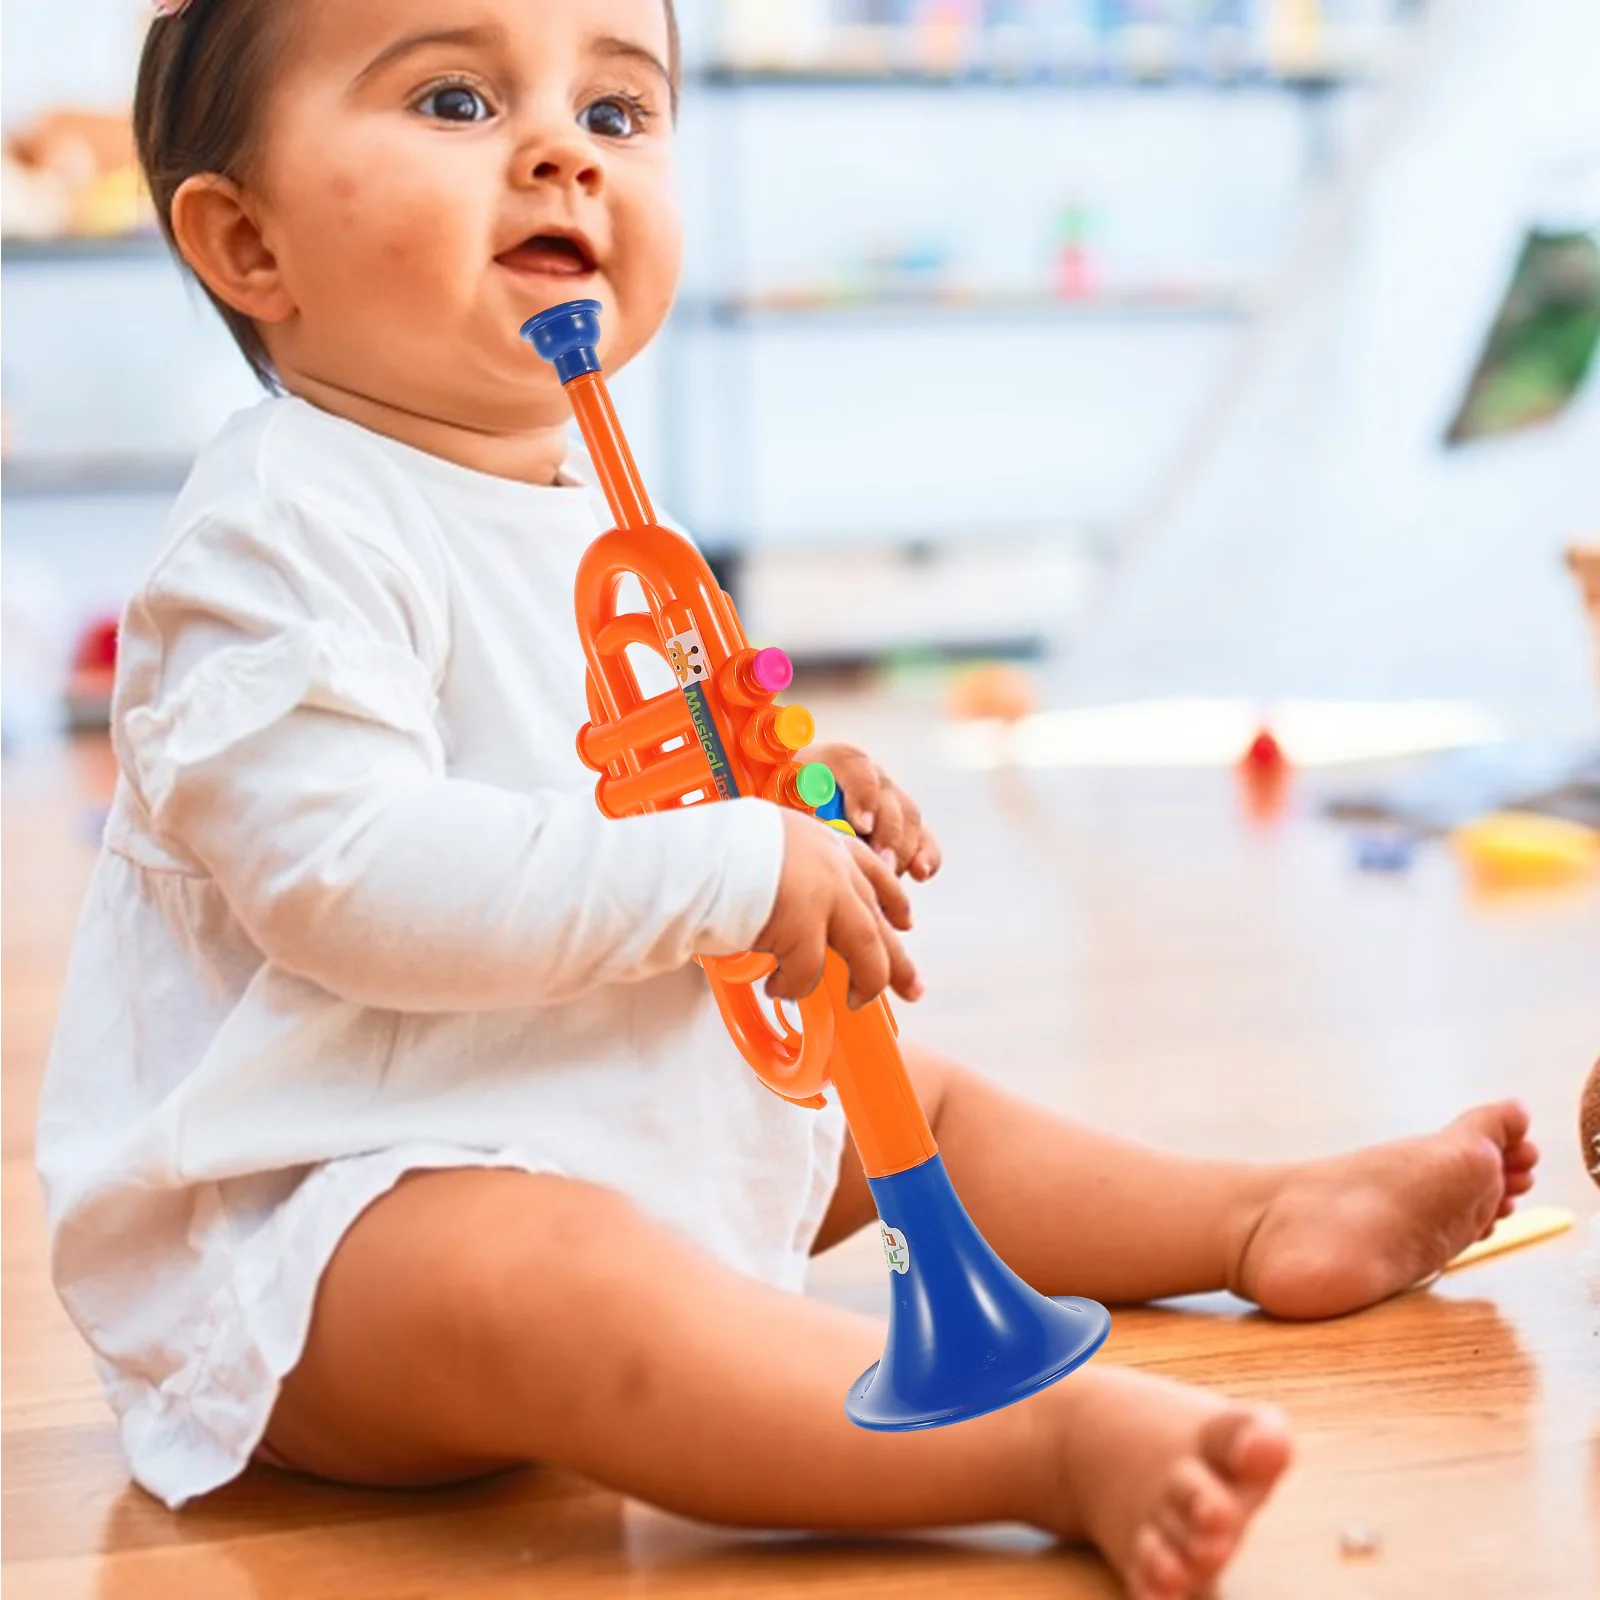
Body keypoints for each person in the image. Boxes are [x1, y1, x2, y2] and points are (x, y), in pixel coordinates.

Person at [37, 3, 1540, 1596]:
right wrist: (731, 865)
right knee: (552, 1275)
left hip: (580, 1099)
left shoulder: (591, 508)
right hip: (330, 1218)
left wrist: (805, 797)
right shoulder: (275, 536)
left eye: (620, 114)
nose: (564, 149)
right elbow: (347, 878)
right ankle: (1026, 1451)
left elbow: (625, 776)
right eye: (461, 99)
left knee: (906, 1110)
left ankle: (1250, 1215)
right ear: (247, 243)